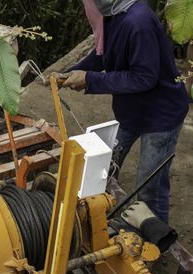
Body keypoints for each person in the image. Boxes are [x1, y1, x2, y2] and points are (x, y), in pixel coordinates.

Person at [55, 0, 189, 223]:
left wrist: (90, 79)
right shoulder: (114, 14)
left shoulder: (138, 22)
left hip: (161, 115)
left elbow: (144, 77)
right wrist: (73, 72)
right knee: (102, 166)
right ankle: (101, 217)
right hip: (132, 111)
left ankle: (154, 244)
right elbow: (102, 54)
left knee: (149, 187)